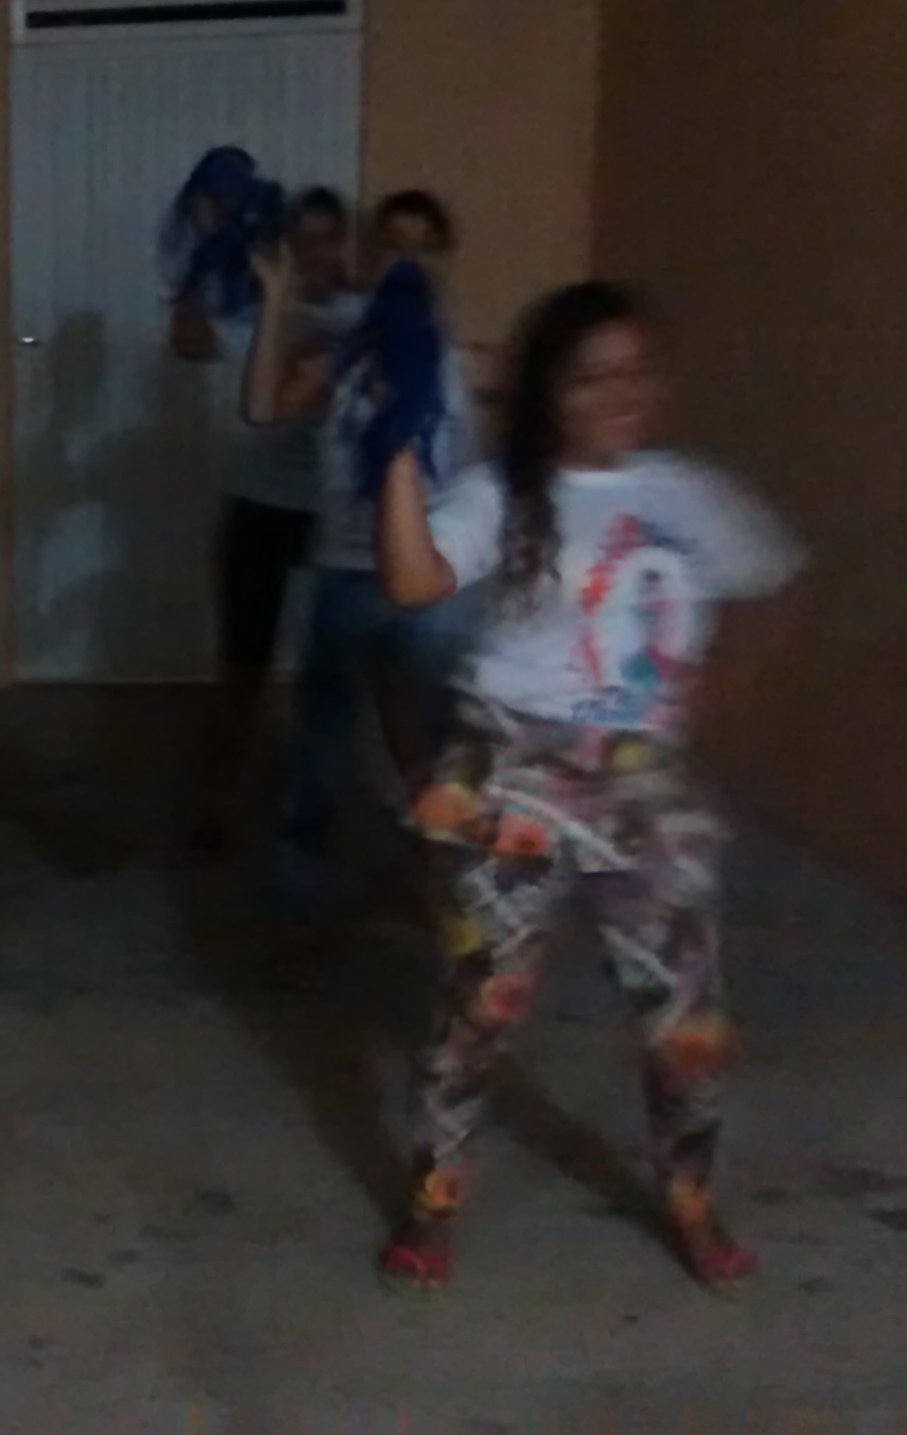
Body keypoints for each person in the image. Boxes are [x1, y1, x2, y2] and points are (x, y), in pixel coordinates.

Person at [371, 282, 801, 1291]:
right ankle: (433, 1203)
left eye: (636, 370)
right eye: (590, 376)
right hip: (514, 768)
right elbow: (414, 580)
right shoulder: (504, 494)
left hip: (645, 781)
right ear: (549, 391)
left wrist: (718, 715)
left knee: (687, 1021)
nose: (619, 393)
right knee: (481, 1008)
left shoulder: (691, 495)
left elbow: (771, 594)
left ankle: (690, 1200)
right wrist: (393, 448)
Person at [249, 189, 480, 947]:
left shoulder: (462, 362)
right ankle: (299, 905)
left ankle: (445, 892)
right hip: (345, 574)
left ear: (442, 259)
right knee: (321, 746)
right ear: (370, 258)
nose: (405, 259)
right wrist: (276, 300)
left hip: (432, 587)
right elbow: (263, 411)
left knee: (431, 749)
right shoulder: (342, 355)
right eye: (391, 244)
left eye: (422, 245)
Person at [186, 185, 360, 851]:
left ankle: (321, 807)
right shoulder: (256, 303)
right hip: (259, 507)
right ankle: (215, 805)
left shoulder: (363, 312)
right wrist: (203, 256)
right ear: (285, 244)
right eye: (302, 238)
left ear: (342, 242)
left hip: (335, 514)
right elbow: (190, 341)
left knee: (336, 672)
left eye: (326, 237)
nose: (314, 251)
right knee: (243, 668)